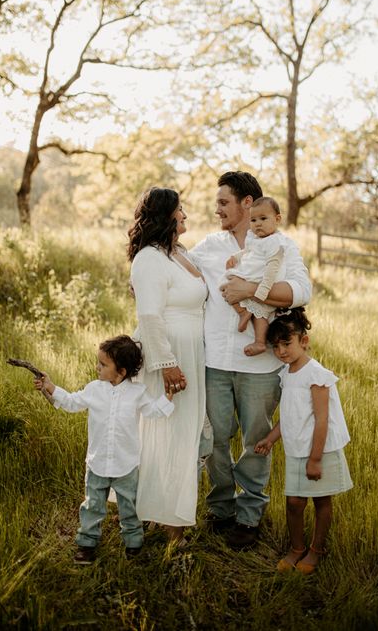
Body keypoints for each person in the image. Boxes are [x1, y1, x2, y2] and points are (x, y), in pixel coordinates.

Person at [190, 171, 312, 549]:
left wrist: (252, 289)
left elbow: (301, 290)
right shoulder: (209, 246)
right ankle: (222, 507)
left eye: (223, 202)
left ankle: (249, 515)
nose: (217, 210)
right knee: (216, 438)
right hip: (215, 363)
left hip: (261, 368)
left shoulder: (283, 245)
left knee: (256, 441)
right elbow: (178, 268)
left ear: (247, 203)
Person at [33, 335, 176, 564]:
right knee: (92, 505)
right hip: (98, 462)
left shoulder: (137, 392)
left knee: (129, 507)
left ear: (121, 371)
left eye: (103, 364)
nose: (97, 367)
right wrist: (50, 387)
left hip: (126, 465)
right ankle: (87, 544)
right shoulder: (93, 389)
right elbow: (71, 402)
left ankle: (133, 544)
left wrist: (168, 398)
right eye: (98, 362)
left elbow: (153, 412)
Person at [128, 187, 208, 544]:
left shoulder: (178, 253)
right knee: (168, 432)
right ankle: (169, 521)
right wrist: (167, 364)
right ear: (166, 216)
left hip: (192, 350)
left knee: (184, 432)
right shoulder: (149, 258)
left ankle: (166, 512)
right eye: (180, 209)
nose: (186, 214)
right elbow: (149, 314)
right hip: (169, 355)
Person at [255, 308, 353, 573]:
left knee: (321, 500)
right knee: (294, 502)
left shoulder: (316, 375)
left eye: (287, 343)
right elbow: (289, 416)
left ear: (304, 341)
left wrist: (316, 459)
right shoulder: (287, 374)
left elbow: (322, 420)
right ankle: (297, 547)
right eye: (276, 347)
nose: (282, 351)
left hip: (320, 450)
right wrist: (271, 438)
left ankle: (316, 550)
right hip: (297, 448)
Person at [221, 196, 284, 356]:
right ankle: (243, 312)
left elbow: (272, 267)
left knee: (261, 312)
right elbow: (248, 251)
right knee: (224, 286)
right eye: (254, 220)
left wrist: (263, 291)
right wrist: (235, 257)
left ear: (277, 219)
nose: (258, 224)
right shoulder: (255, 238)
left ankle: (260, 342)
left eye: (263, 218)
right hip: (248, 274)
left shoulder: (274, 242)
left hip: (259, 278)